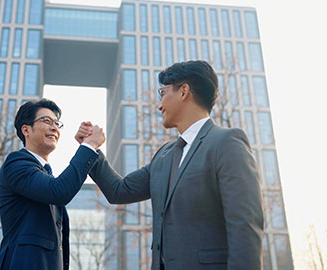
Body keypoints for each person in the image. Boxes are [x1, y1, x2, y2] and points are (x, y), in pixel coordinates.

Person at [76, 61, 264, 270]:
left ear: (184, 91)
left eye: (163, 93)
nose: (159, 105)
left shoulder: (227, 142)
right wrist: (90, 149)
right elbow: (119, 191)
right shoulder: (164, 156)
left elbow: (245, 226)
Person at [0, 99, 105, 270]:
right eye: (46, 121)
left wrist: (88, 147)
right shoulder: (16, 163)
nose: (54, 127)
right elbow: (59, 191)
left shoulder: (45, 174)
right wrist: (89, 146)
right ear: (26, 130)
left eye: (56, 123)